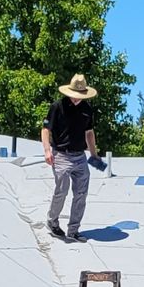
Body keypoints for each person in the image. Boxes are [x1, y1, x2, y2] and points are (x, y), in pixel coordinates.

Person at [43, 73, 99, 241]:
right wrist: (47, 150)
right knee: (62, 189)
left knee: (81, 193)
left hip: (80, 156)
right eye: (73, 96)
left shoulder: (87, 110)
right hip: (61, 155)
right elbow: (46, 130)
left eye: (79, 96)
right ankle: (52, 221)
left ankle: (73, 229)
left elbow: (89, 133)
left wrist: (94, 155)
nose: (76, 99)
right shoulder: (57, 106)